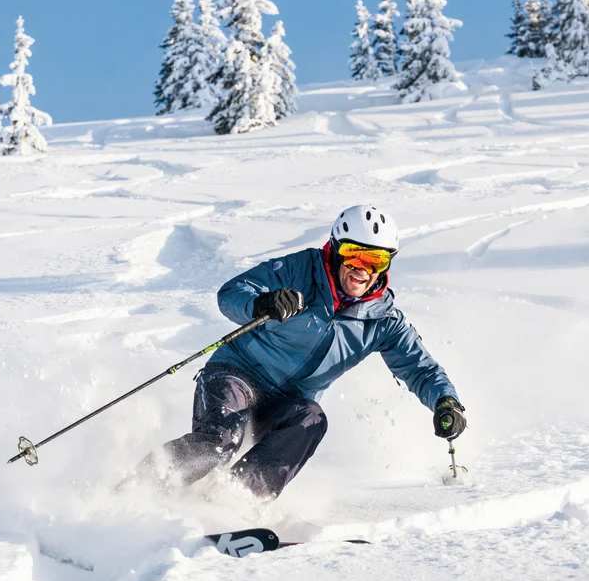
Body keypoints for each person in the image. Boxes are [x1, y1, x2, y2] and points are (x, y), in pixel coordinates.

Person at [142, 204, 466, 498]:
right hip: (237, 374)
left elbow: (420, 369)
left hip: (286, 403)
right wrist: (261, 303)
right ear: (338, 250)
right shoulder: (301, 269)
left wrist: (445, 402)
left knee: (311, 419)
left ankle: (235, 501)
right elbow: (232, 292)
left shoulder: (383, 320)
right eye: (355, 254)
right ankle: (139, 488)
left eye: (375, 260)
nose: (362, 268)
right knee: (220, 441)